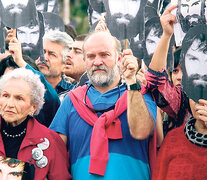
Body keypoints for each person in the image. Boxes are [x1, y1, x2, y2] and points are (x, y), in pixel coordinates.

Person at [50, 30, 156, 179]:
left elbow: (141, 132)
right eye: (91, 56)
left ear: (119, 59)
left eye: (104, 55)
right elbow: (54, 154)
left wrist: (132, 81)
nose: (97, 62)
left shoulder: (140, 95)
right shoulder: (72, 100)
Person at [0, 68, 71, 179]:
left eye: (19, 98)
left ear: (33, 107)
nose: (9, 104)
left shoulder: (51, 141)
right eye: (5, 96)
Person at [35, 30, 74, 95]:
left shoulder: (71, 93)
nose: (44, 58)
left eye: (52, 54)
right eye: (43, 52)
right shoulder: (26, 86)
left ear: (65, 64)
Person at [180, 25, 207, 101]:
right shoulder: (179, 101)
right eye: (193, 59)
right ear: (183, 57)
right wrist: (166, 35)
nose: (201, 72)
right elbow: (155, 80)